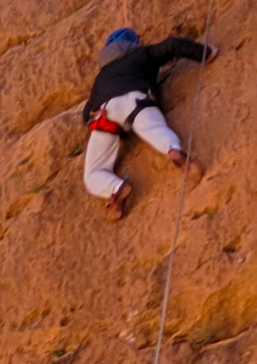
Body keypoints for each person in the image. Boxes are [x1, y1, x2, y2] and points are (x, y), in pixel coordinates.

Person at [83, 27, 218, 220]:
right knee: (155, 129)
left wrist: (90, 116)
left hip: (107, 112)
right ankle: (172, 150)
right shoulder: (141, 54)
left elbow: (86, 113)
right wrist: (205, 53)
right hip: (138, 101)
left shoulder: (100, 78)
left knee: (92, 173)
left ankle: (116, 188)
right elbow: (172, 46)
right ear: (133, 44)